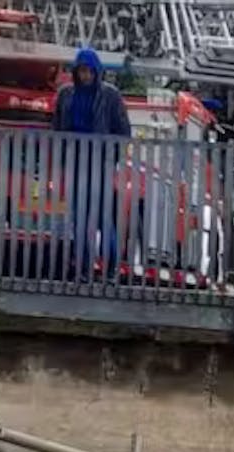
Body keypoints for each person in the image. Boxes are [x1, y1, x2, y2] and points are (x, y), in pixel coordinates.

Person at [52, 48, 131, 281]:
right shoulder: (66, 94)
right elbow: (57, 125)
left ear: (97, 72)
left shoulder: (110, 95)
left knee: (102, 217)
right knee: (79, 218)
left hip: (100, 164)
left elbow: (123, 130)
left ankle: (110, 268)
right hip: (75, 161)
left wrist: (111, 158)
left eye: (89, 71)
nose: (85, 76)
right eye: (81, 71)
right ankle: (84, 268)